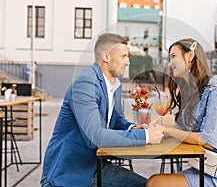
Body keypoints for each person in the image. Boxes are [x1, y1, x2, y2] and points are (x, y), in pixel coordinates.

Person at [41, 33, 165, 187]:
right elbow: (95, 136)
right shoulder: (86, 82)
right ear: (106, 56)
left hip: (95, 164)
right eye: (124, 56)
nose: (127, 62)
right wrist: (146, 135)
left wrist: (133, 127)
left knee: (151, 184)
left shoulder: (115, 84)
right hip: (70, 173)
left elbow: (117, 120)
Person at [146, 39, 217, 187]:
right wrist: (154, 126)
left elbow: (207, 140)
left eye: (174, 56)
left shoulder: (214, 89)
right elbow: (183, 127)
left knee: (155, 183)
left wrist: (167, 130)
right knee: (155, 181)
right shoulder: (191, 90)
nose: (169, 63)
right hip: (203, 167)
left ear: (190, 56)